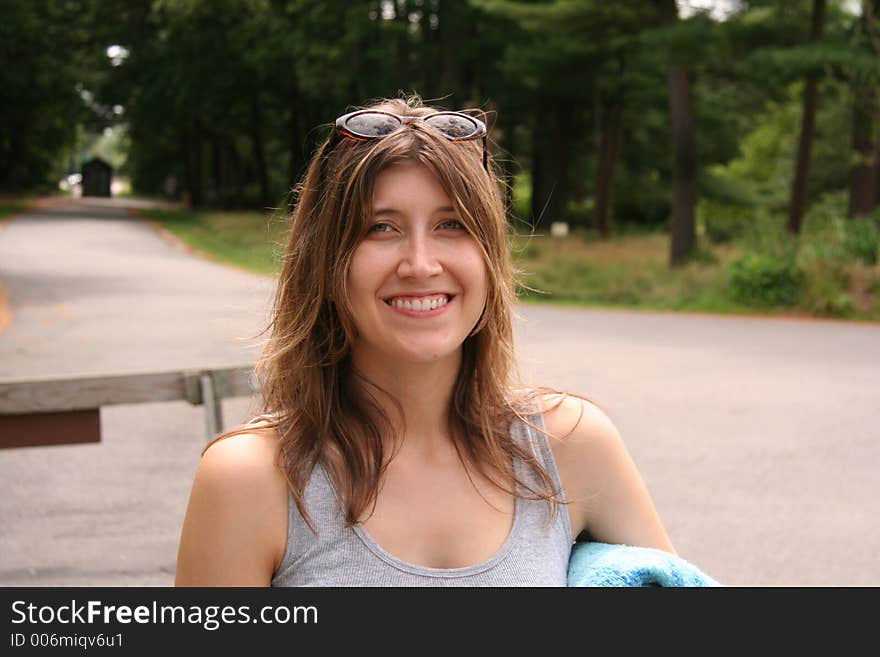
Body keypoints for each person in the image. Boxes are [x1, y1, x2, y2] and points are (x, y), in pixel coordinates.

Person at [174, 95, 675, 587]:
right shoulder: (249, 481)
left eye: (451, 225)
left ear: (490, 257)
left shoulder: (571, 446)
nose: (420, 264)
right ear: (325, 263)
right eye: (380, 228)